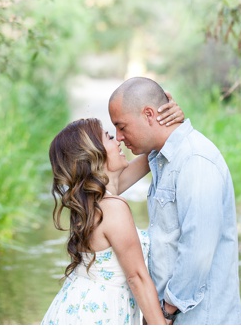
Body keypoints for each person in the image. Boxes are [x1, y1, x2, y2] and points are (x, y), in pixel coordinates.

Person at [108, 77, 241, 325]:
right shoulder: (161, 158)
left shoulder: (195, 160)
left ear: (149, 114)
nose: (118, 137)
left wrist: (167, 311)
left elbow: (198, 249)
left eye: (122, 126)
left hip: (200, 319)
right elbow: (110, 187)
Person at [41, 96, 184, 325]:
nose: (118, 140)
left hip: (74, 308)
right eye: (109, 136)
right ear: (94, 154)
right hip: (97, 315)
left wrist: (167, 119)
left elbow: (154, 151)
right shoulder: (112, 208)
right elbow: (137, 277)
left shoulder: (93, 199)